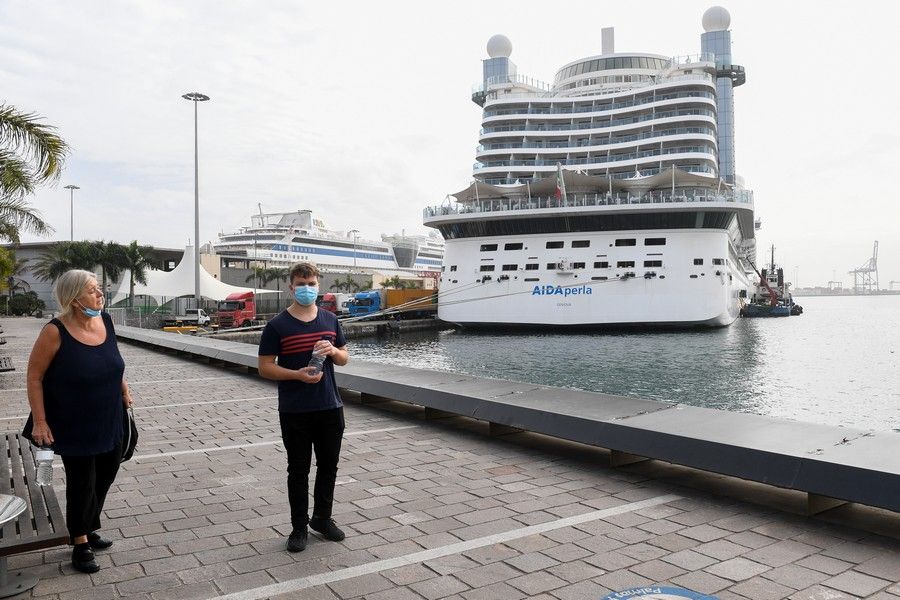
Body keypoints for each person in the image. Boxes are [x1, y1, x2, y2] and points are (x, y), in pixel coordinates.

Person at [25, 270, 133, 574]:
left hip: (109, 415)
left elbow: (112, 358)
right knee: (82, 482)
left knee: (107, 471)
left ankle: (88, 523)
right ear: (74, 300)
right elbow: (34, 377)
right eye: (92, 290)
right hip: (72, 420)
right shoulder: (54, 331)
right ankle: (80, 541)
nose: (100, 294)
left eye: (99, 288)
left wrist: (124, 389)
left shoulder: (106, 320)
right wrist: (41, 422)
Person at [258, 262, 349, 552]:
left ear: (318, 286)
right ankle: (299, 526)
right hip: (295, 410)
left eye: (311, 284)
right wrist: (297, 375)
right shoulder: (277, 326)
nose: (306, 289)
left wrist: (334, 351)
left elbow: (344, 358)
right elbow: (264, 368)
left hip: (330, 406)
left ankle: (322, 518)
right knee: (298, 470)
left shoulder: (330, 320)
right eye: (301, 284)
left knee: (328, 467)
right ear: (291, 287)